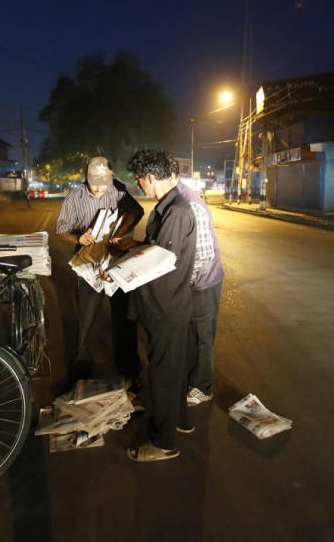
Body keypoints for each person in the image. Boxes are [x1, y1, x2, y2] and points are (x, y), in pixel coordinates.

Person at [115, 149, 196, 462]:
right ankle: (182, 421)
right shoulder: (169, 206)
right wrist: (133, 246)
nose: (139, 186)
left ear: (151, 177)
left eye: (139, 180)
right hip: (169, 303)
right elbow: (160, 249)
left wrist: (123, 265)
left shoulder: (176, 211)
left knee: (162, 374)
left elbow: (161, 261)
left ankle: (163, 443)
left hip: (165, 305)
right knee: (173, 367)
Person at [55, 156, 144, 387]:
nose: (98, 189)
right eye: (93, 183)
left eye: (103, 184)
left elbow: (136, 212)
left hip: (116, 260)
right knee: (87, 318)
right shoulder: (75, 197)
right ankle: (80, 372)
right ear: (86, 179)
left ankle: (130, 371)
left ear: (110, 180)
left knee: (123, 317)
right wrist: (78, 237)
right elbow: (62, 230)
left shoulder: (118, 191)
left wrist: (122, 234)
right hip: (89, 261)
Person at [169, 161, 224, 407]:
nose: (142, 183)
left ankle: (203, 387)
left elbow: (202, 256)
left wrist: (180, 285)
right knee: (191, 333)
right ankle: (192, 378)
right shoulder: (173, 201)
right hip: (191, 283)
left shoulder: (189, 203)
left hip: (202, 284)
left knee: (203, 337)